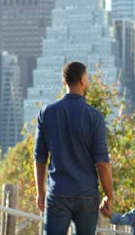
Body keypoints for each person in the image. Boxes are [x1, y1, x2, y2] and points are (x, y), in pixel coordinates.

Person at [34, 61, 114, 235]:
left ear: (64, 82)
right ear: (83, 80)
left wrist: (40, 192)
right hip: (87, 194)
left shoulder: (46, 113)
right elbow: (102, 162)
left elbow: (40, 158)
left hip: (58, 193)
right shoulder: (95, 117)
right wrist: (109, 194)